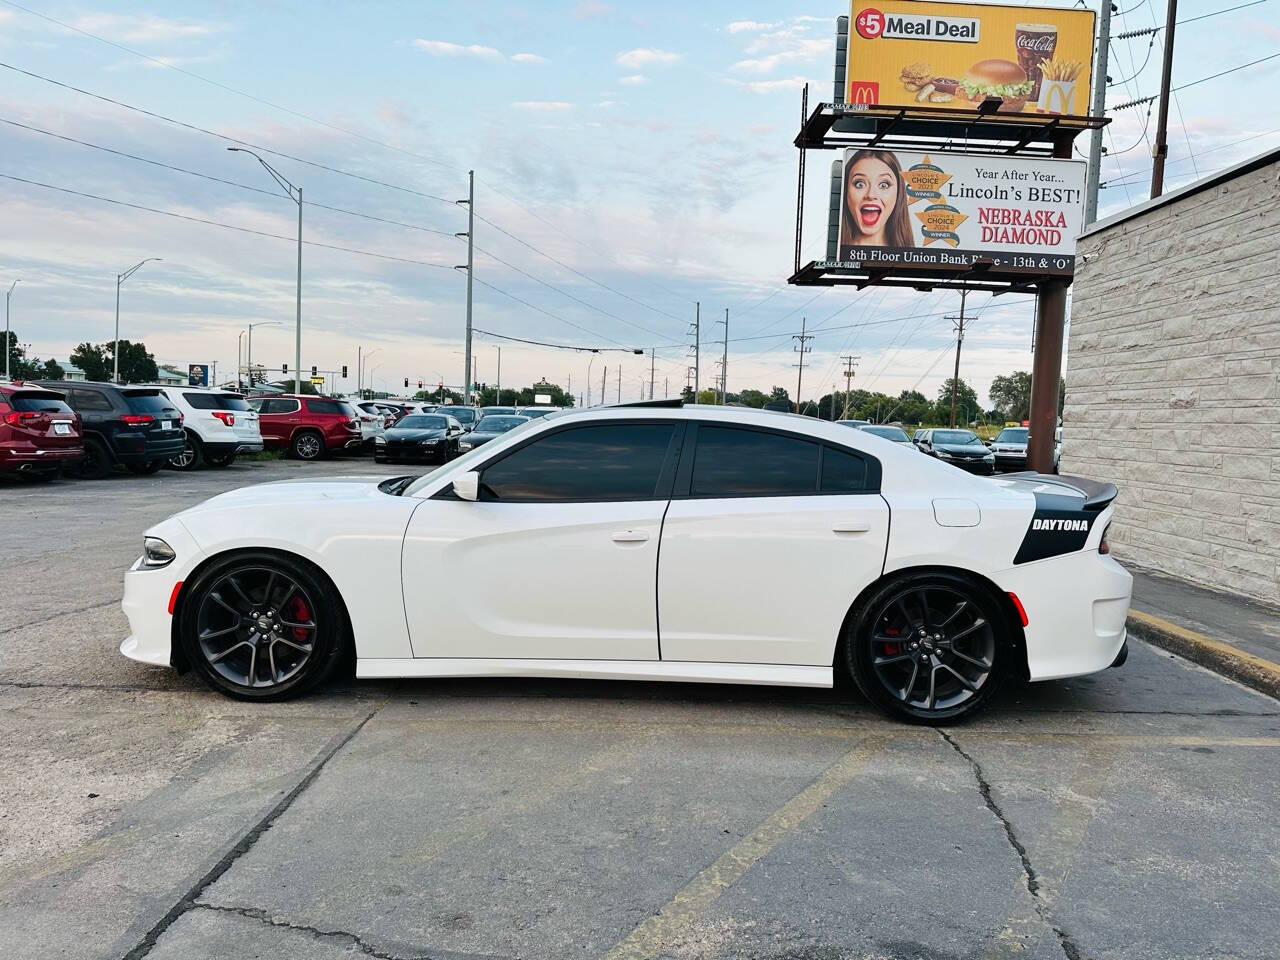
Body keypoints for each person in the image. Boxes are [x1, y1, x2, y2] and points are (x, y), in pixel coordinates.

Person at [839, 149, 914, 257]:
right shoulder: (839, 254)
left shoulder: (912, 257)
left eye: (884, 185)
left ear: (899, 193)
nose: (871, 195)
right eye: (860, 184)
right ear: (845, 191)